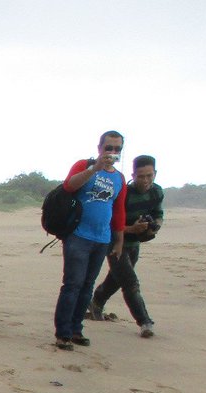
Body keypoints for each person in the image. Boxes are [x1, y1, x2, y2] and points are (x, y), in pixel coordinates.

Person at [52, 130, 127, 350]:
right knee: (72, 284)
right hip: (78, 236)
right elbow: (69, 186)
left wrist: (119, 239)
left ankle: (76, 329)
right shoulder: (84, 165)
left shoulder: (119, 178)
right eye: (109, 148)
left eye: (117, 149)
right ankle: (63, 333)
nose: (112, 152)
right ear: (99, 148)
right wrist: (95, 168)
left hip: (102, 239)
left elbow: (119, 210)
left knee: (87, 286)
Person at [89, 154, 162, 338]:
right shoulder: (124, 192)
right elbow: (111, 223)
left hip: (135, 244)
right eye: (141, 176)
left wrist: (154, 226)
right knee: (130, 283)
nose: (145, 180)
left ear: (155, 174)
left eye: (149, 175)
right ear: (133, 175)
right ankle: (145, 322)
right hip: (115, 243)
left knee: (116, 278)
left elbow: (158, 214)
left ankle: (96, 302)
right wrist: (132, 228)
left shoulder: (157, 192)